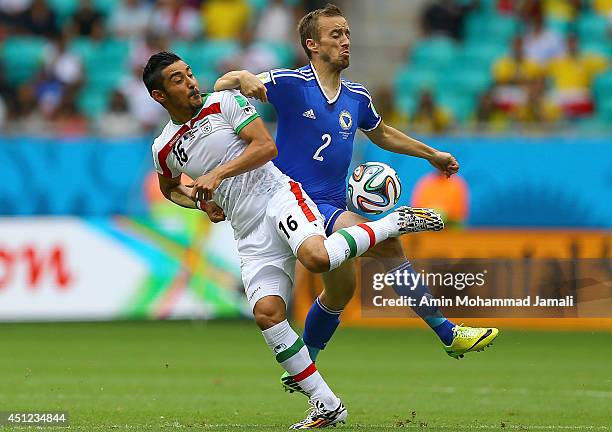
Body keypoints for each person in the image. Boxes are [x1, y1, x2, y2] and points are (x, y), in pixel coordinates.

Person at [143, 51, 444, 429]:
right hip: (247, 228)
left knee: (317, 258)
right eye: (177, 80)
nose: (190, 82)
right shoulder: (163, 148)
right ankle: (327, 405)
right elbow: (170, 188)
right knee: (267, 314)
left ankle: (394, 222)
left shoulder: (224, 103)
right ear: (159, 96)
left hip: (278, 196)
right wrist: (198, 204)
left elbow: (266, 148)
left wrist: (217, 176)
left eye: (189, 74)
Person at [214, 3, 499, 392]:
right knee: (387, 244)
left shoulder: (357, 98)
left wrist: (431, 154)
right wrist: (243, 75)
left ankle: (303, 366)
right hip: (291, 202)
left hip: (331, 205)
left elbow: (382, 134)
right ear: (312, 45)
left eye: (347, 33)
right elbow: (220, 87)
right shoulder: (291, 83)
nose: (346, 41)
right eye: (336, 35)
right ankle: (448, 333)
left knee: (341, 290)